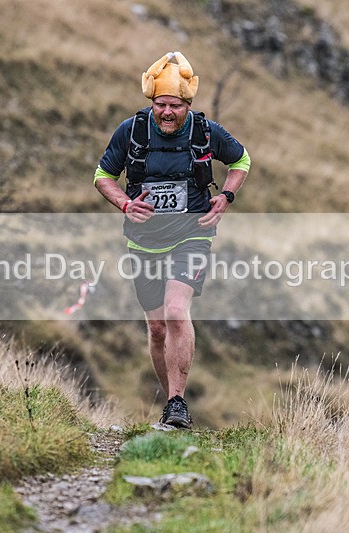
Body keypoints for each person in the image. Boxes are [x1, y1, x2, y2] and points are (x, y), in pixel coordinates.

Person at [93, 51, 251, 428]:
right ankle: (171, 405)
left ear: (188, 105)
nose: (167, 112)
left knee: (176, 312)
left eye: (175, 106)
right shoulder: (131, 131)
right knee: (157, 327)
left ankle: (178, 403)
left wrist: (225, 198)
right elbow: (102, 175)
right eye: (161, 104)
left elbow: (241, 161)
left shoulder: (206, 131)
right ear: (152, 102)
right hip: (143, 241)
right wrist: (125, 204)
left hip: (192, 236)